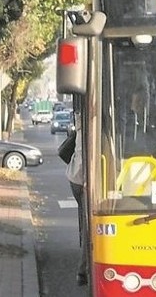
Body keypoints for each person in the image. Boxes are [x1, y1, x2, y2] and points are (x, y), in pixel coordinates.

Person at [65, 108, 87, 286]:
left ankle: (83, 270)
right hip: (81, 182)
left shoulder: (82, 126)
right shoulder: (90, 129)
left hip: (76, 180)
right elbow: (81, 163)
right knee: (90, 229)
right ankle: (83, 270)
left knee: (86, 226)